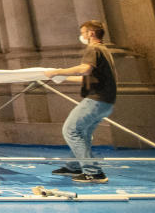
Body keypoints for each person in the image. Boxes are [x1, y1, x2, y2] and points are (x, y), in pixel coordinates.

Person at [44, 19, 117, 184]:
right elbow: (91, 77)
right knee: (83, 133)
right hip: (106, 101)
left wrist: (57, 71)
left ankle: (93, 172)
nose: (82, 36)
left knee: (71, 130)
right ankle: (74, 166)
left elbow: (85, 69)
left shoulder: (93, 48)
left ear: (91, 33)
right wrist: (63, 77)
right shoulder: (104, 50)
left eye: (83, 33)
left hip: (96, 100)